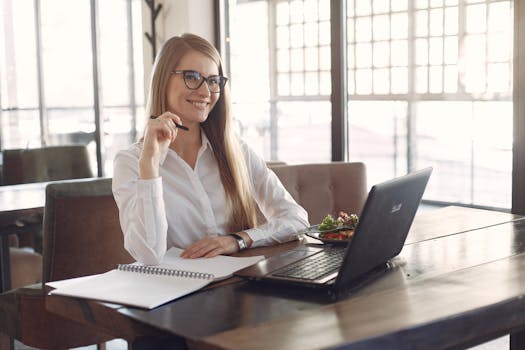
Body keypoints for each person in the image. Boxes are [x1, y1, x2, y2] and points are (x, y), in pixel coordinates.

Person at [112, 33, 309, 265]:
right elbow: (148, 255)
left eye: (213, 80)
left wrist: (239, 239)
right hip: (175, 293)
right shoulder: (130, 162)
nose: (206, 92)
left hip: (238, 286)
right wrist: (150, 164)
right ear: (163, 80)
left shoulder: (237, 152)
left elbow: (296, 219)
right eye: (192, 77)